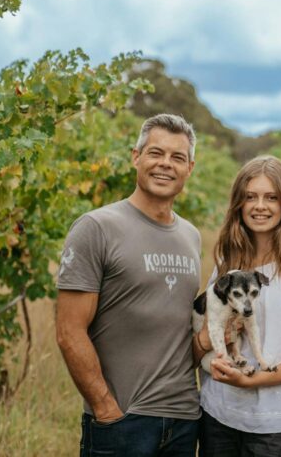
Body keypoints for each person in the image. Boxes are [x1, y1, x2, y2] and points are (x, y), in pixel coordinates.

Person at [56, 114, 203, 457]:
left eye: (177, 157)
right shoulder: (96, 227)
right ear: (136, 157)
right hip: (123, 423)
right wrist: (105, 408)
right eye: (156, 153)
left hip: (184, 419)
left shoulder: (191, 236)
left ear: (190, 168)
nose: (166, 164)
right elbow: (69, 331)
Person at [198, 155, 281, 457]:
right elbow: (205, 336)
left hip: (275, 426)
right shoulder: (226, 263)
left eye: (271, 197)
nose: (260, 206)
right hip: (218, 414)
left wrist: (251, 381)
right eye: (250, 197)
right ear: (239, 204)